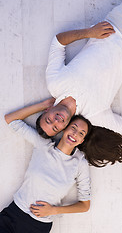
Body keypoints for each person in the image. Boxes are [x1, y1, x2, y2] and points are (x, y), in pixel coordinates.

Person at [35, 0, 122, 192]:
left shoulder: (55, 83)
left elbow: (58, 42)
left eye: (49, 120)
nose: (56, 121)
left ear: (47, 111)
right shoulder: (94, 115)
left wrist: (90, 32)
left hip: (115, 25)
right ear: (64, 128)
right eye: (57, 127)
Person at [0, 99, 91, 233]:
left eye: (81, 133)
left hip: (38, 226)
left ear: (81, 141)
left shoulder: (80, 164)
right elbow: (11, 119)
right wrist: (44, 106)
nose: (75, 134)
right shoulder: (43, 144)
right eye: (73, 128)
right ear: (65, 128)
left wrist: (54, 210)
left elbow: (85, 205)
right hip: (13, 214)